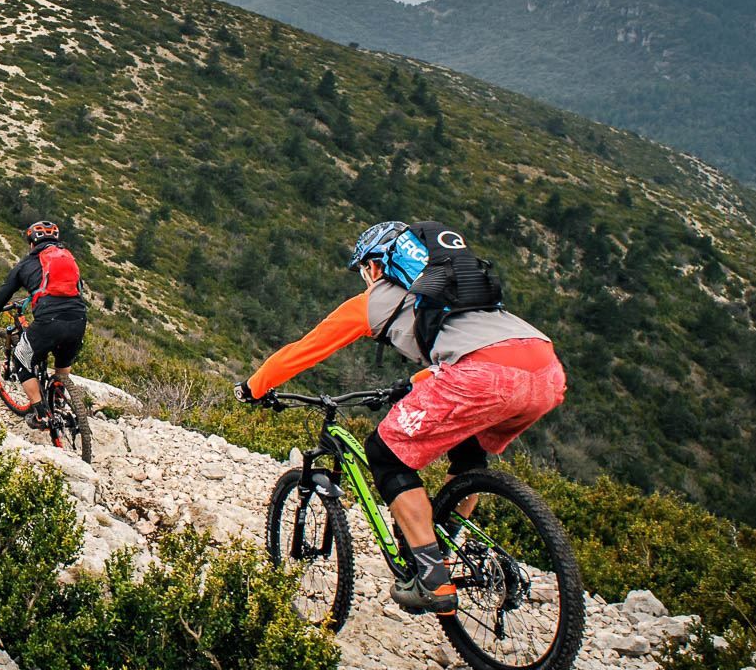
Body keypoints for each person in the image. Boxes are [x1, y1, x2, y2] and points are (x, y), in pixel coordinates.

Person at [235, 220, 565, 615]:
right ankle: (446, 542)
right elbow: (463, 348)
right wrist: (413, 383)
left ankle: (431, 577)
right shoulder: (455, 293)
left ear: (376, 267)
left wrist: (252, 388)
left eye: (364, 270)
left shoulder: (373, 302)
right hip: (545, 369)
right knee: (466, 455)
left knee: (385, 453)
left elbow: (303, 351)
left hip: (480, 376)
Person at [0, 221, 88, 429]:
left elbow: (1, 298)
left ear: (32, 242)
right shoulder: (69, 259)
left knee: (21, 358)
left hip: (49, 322)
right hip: (78, 319)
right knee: (63, 360)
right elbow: (76, 290)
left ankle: (40, 414)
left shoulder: (25, 264)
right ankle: (59, 400)